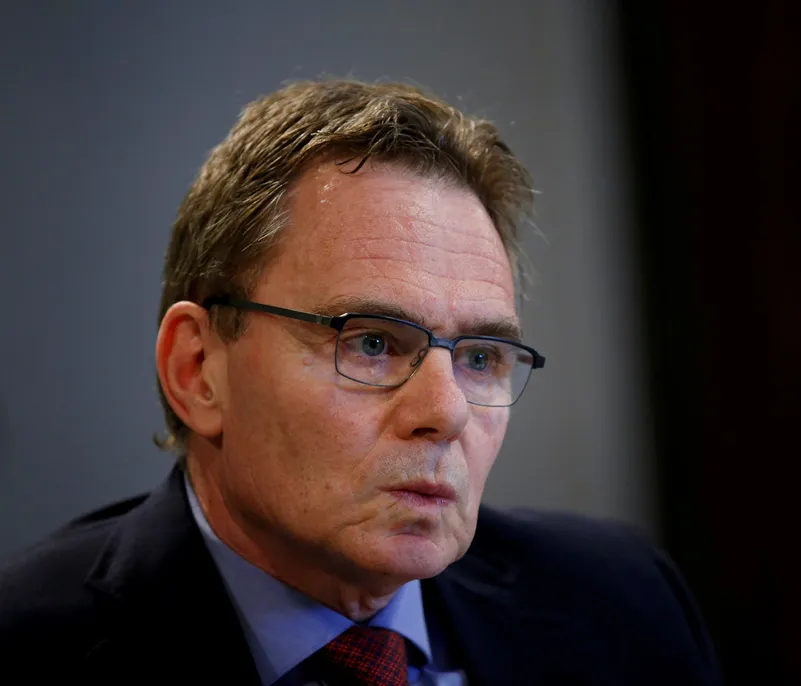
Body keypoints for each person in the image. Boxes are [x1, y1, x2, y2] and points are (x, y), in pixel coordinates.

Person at [0, 79, 721, 685]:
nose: (446, 413)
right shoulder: (29, 647)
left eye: (479, 357)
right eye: (372, 343)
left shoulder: (621, 607)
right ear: (197, 372)